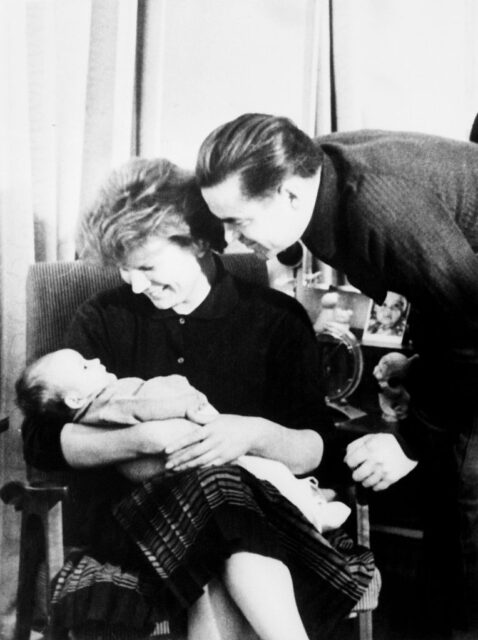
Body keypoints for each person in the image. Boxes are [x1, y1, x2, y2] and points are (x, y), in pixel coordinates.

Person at [22, 158, 374, 640]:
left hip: (260, 521)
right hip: (140, 531)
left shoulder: (276, 320)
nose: (135, 285)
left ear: (202, 243)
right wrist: (147, 437)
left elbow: (319, 449)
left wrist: (249, 434)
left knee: (221, 513)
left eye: (147, 266)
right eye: (125, 270)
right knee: (218, 504)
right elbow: (40, 439)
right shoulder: (104, 317)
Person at [195, 112, 478, 638]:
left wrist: (410, 442)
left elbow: (471, 330)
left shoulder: (376, 206)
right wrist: (419, 364)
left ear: (288, 195)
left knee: (469, 502)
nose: (231, 241)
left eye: (239, 223)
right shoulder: (314, 175)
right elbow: (443, 296)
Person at [17, 348, 350, 533]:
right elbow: (144, 409)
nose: (97, 361)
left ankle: (307, 498)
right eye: (85, 366)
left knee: (260, 472)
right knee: (259, 471)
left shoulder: (98, 402)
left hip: (184, 473)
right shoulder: (109, 402)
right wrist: (182, 402)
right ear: (74, 400)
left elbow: (318, 432)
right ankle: (311, 512)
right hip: (176, 470)